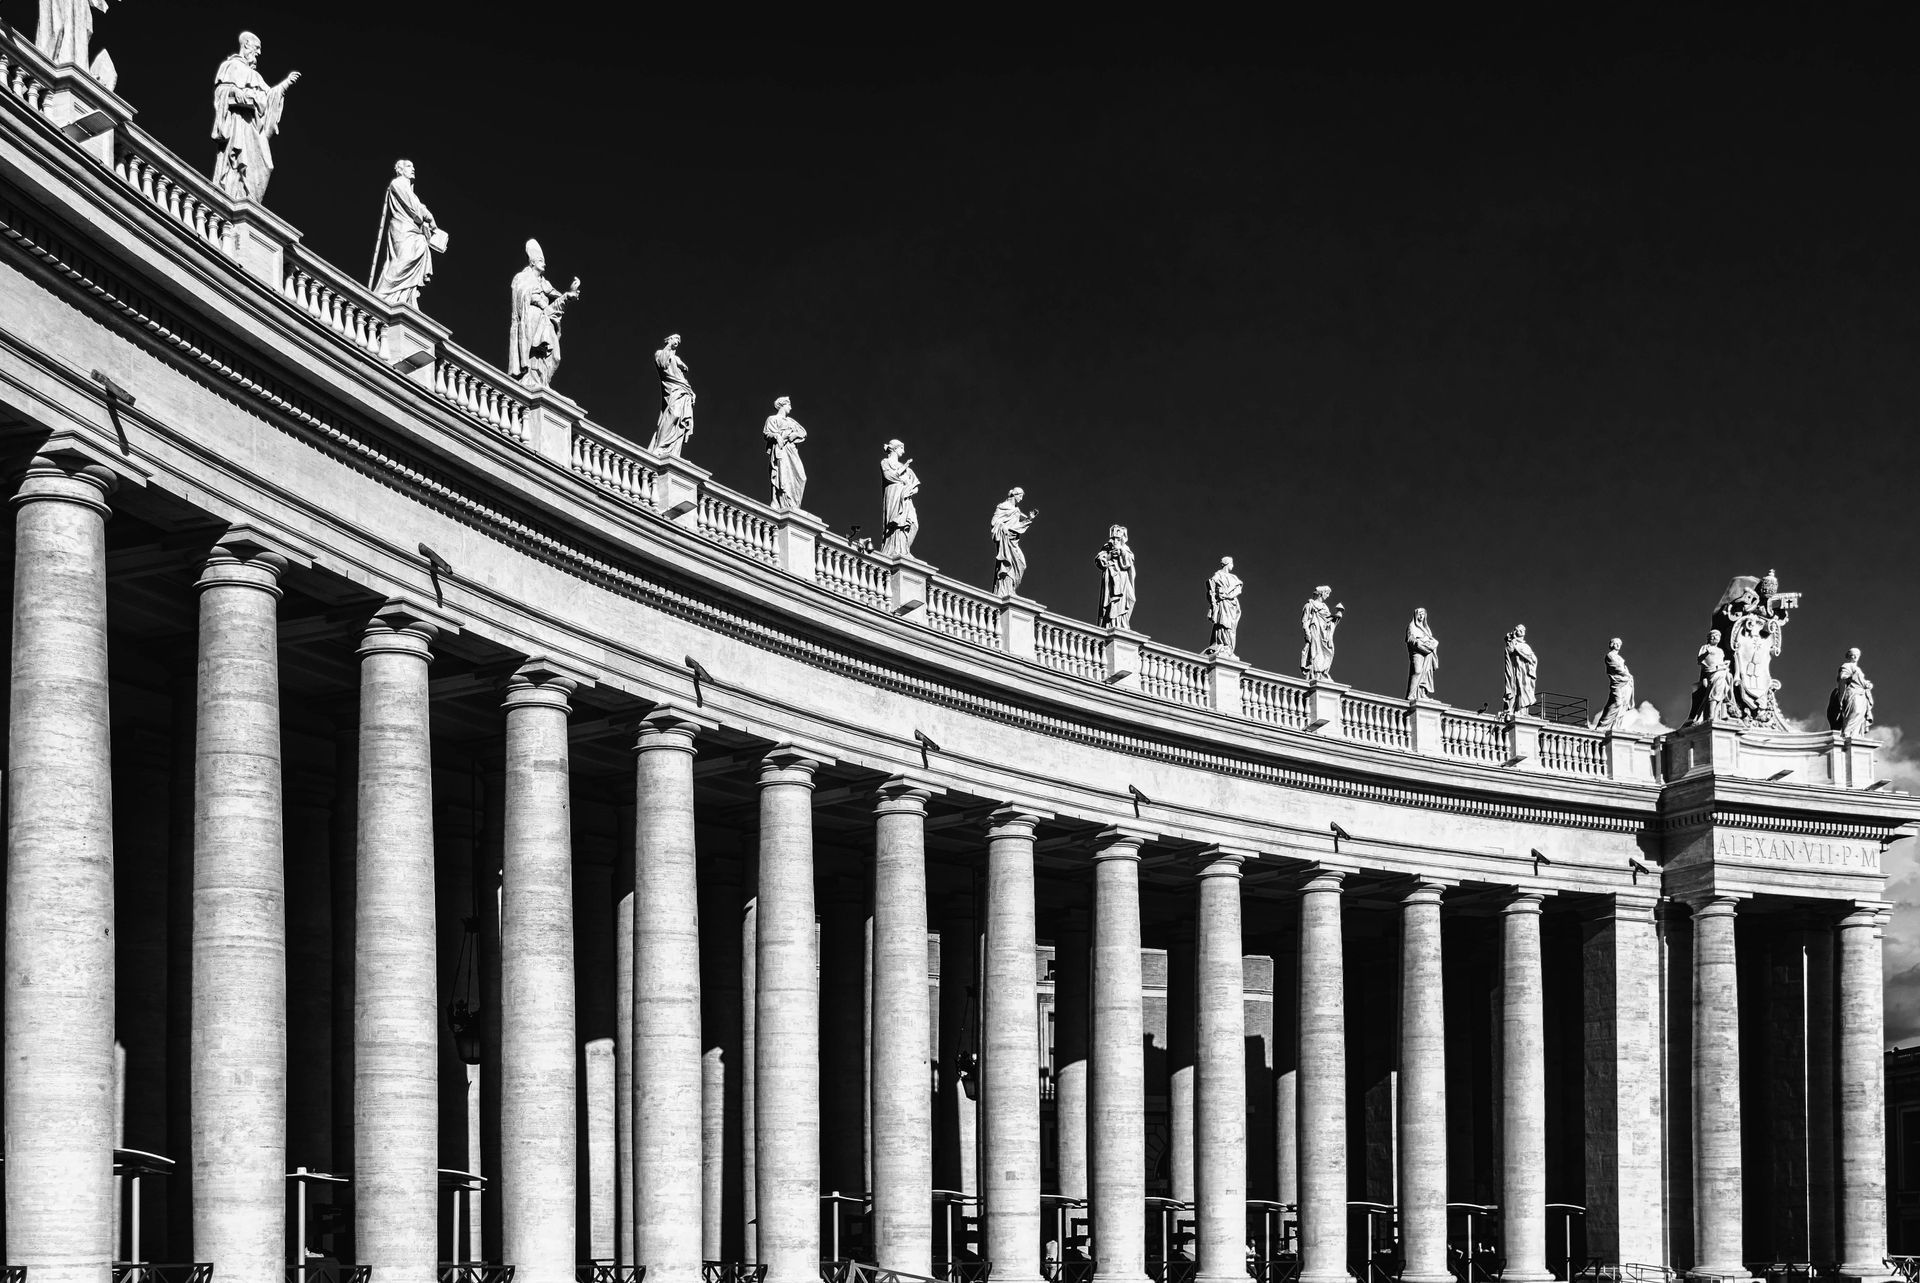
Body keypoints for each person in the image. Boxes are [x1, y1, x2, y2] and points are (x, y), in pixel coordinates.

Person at [211, 31, 301, 204]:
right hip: (238, 125)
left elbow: (268, 99)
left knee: (265, 166)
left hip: (253, 128)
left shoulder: (256, 76)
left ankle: (248, 203)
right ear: (246, 45)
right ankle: (234, 198)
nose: (259, 53)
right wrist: (238, 93)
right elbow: (221, 92)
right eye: (257, 48)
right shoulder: (231, 66)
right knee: (236, 163)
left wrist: (285, 85)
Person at [508, 240, 580, 390]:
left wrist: (568, 295)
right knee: (534, 352)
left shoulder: (545, 285)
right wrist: (538, 301)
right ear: (532, 262)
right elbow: (520, 297)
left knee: (555, 357)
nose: (544, 264)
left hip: (544, 320)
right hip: (530, 317)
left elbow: (552, 309)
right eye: (541, 260)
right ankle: (530, 380)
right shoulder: (522, 277)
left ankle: (543, 382)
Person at [368, 160, 440, 308]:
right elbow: (414, 208)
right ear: (400, 170)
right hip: (403, 229)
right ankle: (381, 295)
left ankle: (404, 299)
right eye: (408, 166)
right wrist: (429, 216)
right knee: (403, 261)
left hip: (413, 232)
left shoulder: (408, 188)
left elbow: (415, 207)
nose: (413, 169)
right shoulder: (397, 183)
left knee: (416, 252)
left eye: (413, 166)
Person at [651, 334, 695, 456]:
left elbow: (684, 369)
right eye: (675, 338)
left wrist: (690, 392)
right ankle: (660, 446)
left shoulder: (676, 358)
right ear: (669, 339)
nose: (678, 341)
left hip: (683, 389)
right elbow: (662, 364)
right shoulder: (660, 353)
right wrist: (669, 346)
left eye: (679, 340)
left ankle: (673, 450)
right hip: (672, 388)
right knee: (673, 413)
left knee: (679, 420)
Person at [763, 397, 808, 512]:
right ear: (783, 405)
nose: (791, 408)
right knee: (783, 476)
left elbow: (803, 432)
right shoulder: (772, 419)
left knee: (801, 477)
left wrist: (795, 435)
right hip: (781, 449)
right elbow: (767, 433)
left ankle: (794, 504)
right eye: (789, 405)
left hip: (792, 450)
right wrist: (777, 436)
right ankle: (784, 503)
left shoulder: (791, 421)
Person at [989, 488, 1037, 596]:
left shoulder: (1017, 510)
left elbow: (1017, 526)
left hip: (1013, 541)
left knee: (1021, 563)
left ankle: (1010, 589)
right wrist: (1002, 527)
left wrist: (1029, 519)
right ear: (1014, 494)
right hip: (1005, 539)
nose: (1021, 499)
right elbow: (994, 522)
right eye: (1020, 496)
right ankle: (1005, 591)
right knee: (1007, 563)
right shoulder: (1002, 507)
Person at [880, 439, 919, 557]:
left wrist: (911, 490)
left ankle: (905, 550)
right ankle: (895, 551)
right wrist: (904, 467)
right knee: (896, 524)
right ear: (895, 448)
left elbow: (915, 484)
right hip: (894, 493)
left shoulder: (907, 468)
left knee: (913, 524)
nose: (904, 451)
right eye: (901, 448)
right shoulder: (885, 462)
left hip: (906, 497)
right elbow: (889, 477)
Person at [1686, 630, 1733, 726]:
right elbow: (1700, 660)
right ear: (1709, 638)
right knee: (1714, 693)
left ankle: (1718, 714)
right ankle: (1711, 716)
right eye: (1713, 635)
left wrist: (1725, 664)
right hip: (1712, 672)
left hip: (1721, 670)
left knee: (1721, 691)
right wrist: (1706, 653)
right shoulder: (1705, 647)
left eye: (1717, 636)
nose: (1715, 637)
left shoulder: (1720, 651)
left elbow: (1719, 661)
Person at [1827, 648, 1875, 737]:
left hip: (1861, 694)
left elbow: (1861, 681)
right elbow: (1842, 677)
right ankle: (1846, 733)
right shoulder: (1846, 665)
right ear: (1849, 656)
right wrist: (1852, 677)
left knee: (1860, 715)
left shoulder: (1857, 668)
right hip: (1852, 692)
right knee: (1855, 711)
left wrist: (1866, 684)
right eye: (1853, 654)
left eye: (1857, 654)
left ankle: (1855, 735)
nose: (1855, 656)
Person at [1096, 525, 1136, 630]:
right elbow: (1099, 560)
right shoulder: (1107, 548)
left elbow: (1129, 562)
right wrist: (1110, 555)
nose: (1115, 541)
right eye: (1113, 538)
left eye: (1118, 539)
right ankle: (1112, 624)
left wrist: (1121, 552)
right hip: (1112, 578)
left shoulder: (1125, 549)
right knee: (1113, 602)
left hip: (1123, 579)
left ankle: (1123, 623)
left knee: (1131, 599)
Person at [1593, 637, 1636, 730]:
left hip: (1626, 682)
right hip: (1618, 682)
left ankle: (1616, 726)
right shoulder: (1610, 656)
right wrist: (1626, 674)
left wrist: (1628, 676)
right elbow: (1616, 668)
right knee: (1617, 702)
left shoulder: (1619, 658)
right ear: (1611, 645)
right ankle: (1602, 726)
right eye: (1616, 643)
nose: (1618, 645)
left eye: (1619, 644)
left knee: (1623, 705)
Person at [1300, 586, 1342, 679]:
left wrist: (1336, 617)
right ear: (1321, 593)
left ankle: (1323, 672)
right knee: (1315, 651)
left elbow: (1328, 621)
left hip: (1324, 633)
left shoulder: (1325, 607)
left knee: (1329, 650)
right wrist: (1307, 633)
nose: (1328, 596)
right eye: (1327, 593)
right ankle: (1315, 673)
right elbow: (1304, 620)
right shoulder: (1309, 605)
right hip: (1315, 629)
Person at [1205, 557, 1242, 657]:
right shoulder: (1218, 575)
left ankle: (1228, 647)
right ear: (1227, 563)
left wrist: (1229, 595)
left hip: (1232, 604)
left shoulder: (1234, 578)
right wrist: (1214, 599)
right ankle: (1222, 644)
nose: (1232, 565)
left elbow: (1238, 589)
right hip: (1223, 603)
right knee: (1223, 623)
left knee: (1231, 626)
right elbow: (1211, 586)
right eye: (1231, 563)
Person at [1502, 624, 1537, 716]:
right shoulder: (1514, 643)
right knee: (1516, 688)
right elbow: (1509, 651)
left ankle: (1523, 711)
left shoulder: (1526, 646)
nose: (1522, 631)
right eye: (1519, 630)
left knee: (1525, 689)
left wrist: (1530, 660)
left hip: (1525, 672)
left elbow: (1533, 658)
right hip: (1516, 671)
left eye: (1523, 630)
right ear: (1515, 632)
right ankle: (1514, 709)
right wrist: (1511, 640)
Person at [1406, 607, 1438, 700]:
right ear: (1416, 615)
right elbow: (1410, 638)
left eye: (1423, 614)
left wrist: (1431, 643)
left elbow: (1430, 639)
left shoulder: (1426, 629)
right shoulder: (1412, 626)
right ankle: (1411, 695)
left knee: (1426, 673)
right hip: (1417, 651)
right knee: (1417, 671)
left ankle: (1422, 693)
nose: (1421, 616)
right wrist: (1417, 642)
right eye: (1419, 614)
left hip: (1427, 653)